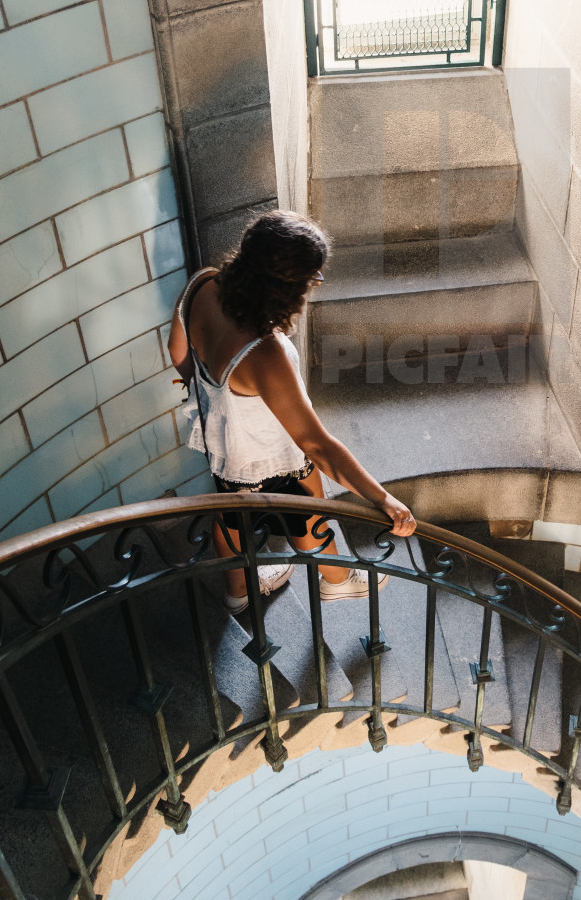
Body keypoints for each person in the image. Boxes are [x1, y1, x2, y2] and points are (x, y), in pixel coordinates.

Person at [167, 210, 416, 612]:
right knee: (307, 513)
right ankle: (336, 579)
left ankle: (238, 593)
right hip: (269, 449)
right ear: (290, 285)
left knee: (230, 516)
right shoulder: (264, 352)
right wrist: (383, 498)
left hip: (224, 443)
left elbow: (178, 353)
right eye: (312, 279)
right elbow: (316, 443)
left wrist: (213, 397)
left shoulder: (202, 283)